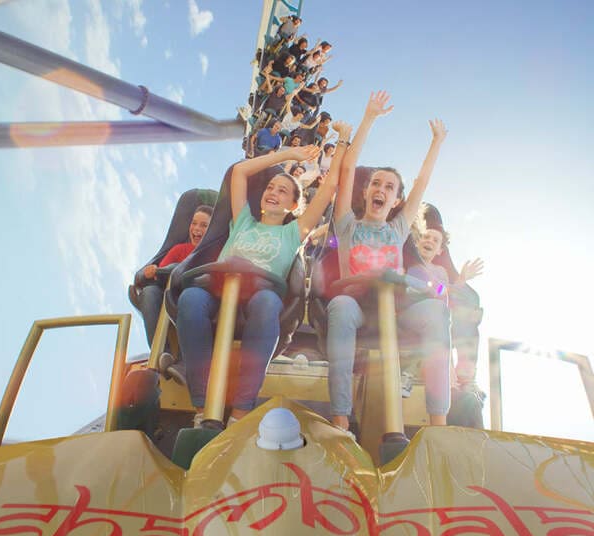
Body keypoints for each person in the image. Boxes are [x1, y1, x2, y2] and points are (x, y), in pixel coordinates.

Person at [177, 122, 352, 426]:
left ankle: (241, 410)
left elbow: (329, 188)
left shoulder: (294, 232)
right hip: (220, 289)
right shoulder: (242, 221)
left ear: (294, 205)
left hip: (259, 296)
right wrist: (288, 155)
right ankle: (203, 405)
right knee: (190, 298)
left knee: (268, 302)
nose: (273, 192)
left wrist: (344, 141)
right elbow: (239, 172)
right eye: (270, 188)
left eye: (282, 191)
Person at [326, 91, 449, 433]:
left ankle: (439, 425)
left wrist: (436, 142)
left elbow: (422, 183)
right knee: (339, 306)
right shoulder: (347, 226)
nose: (381, 189)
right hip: (360, 311)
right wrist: (369, 117)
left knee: (437, 310)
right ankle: (340, 419)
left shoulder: (397, 228)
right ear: (366, 193)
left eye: (390, 187)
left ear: (396, 200)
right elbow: (348, 168)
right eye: (376, 184)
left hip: (395, 311)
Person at [408, 224, 484, 389]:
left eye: (435, 240)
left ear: (439, 251)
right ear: (417, 242)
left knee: (464, 322)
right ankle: (443, 373)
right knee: (439, 318)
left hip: (440, 318)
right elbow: (434, 290)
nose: (429, 241)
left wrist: (462, 279)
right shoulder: (412, 268)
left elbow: (446, 292)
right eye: (426, 237)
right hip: (419, 316)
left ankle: (464, 374)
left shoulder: (440, 271)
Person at [138, 205, 213, 347]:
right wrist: (153, 271)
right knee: (149, 292)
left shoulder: (214, 254)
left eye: (204, 225)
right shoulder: (179, 250)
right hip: (172, 295)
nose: (196, 229)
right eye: (194, 223)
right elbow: (160, 272)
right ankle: (163, 353)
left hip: (196, 300)